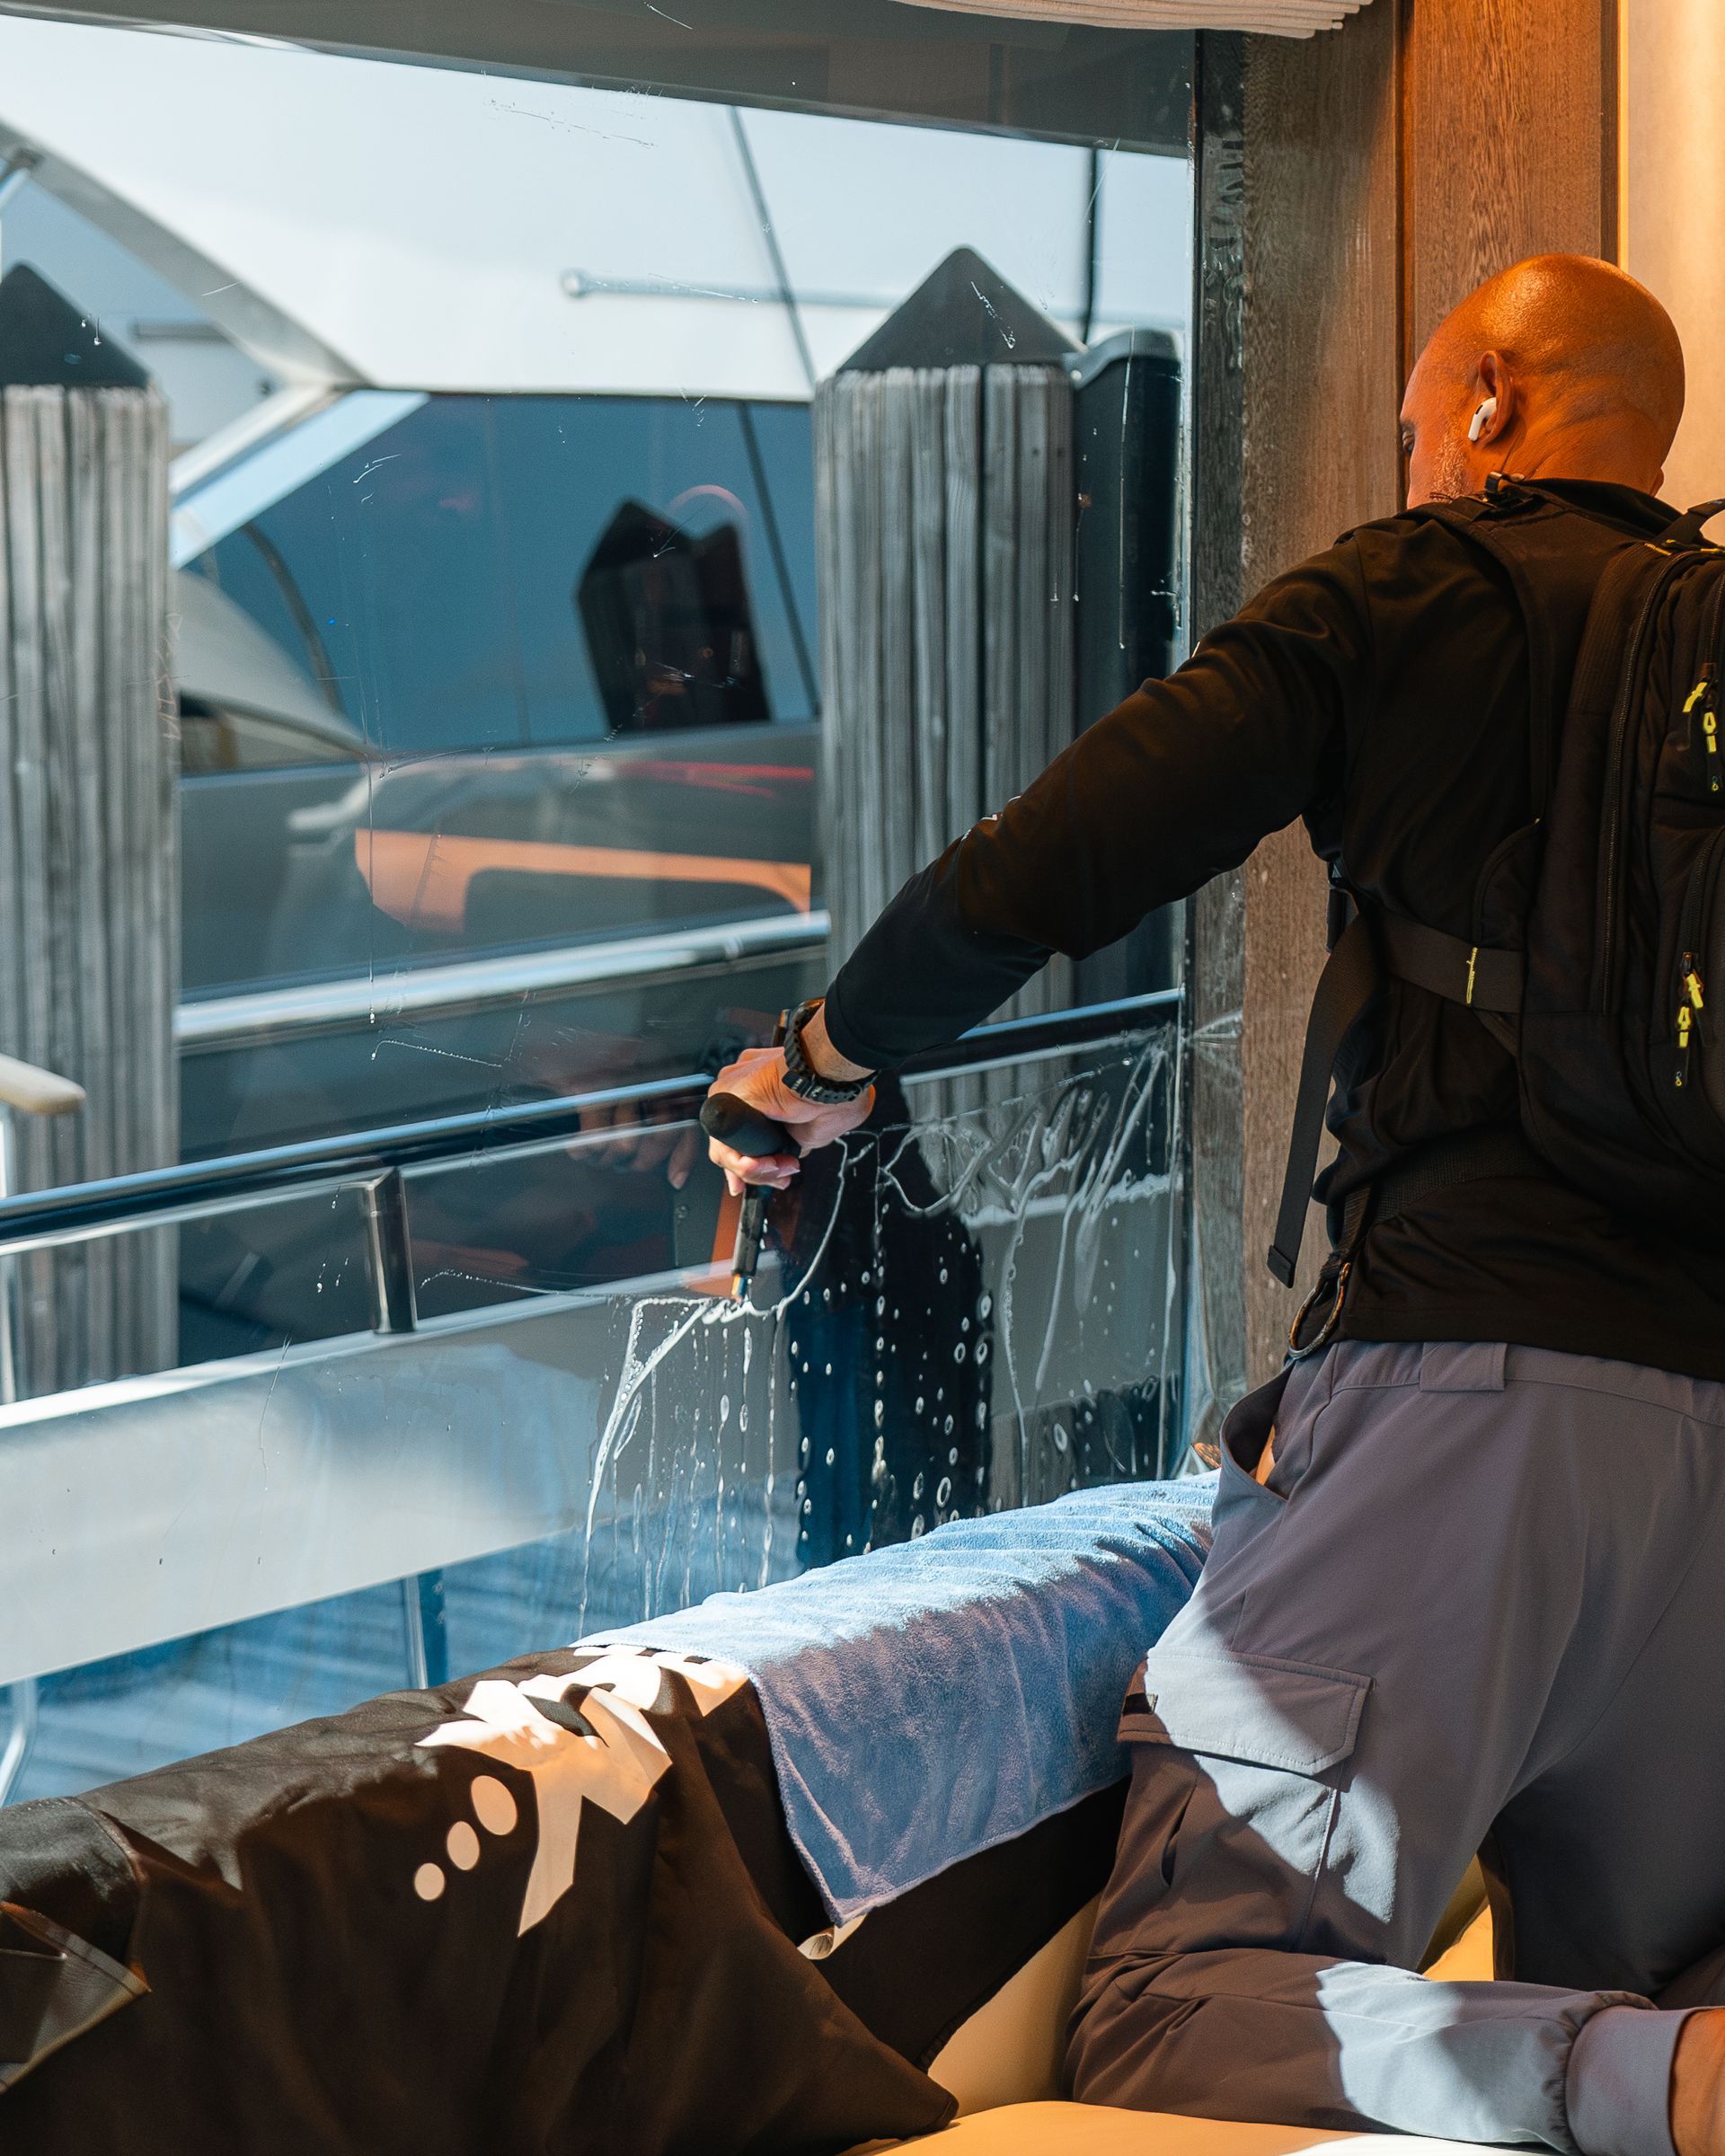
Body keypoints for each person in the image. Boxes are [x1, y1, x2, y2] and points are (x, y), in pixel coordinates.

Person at [705, 252, 1725, 2156]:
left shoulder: (1415, 592)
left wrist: (835, 1053)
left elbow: (1063, 853)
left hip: (1475, 1413)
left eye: (1418, 419)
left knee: (1186, 1998)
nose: (1412, 457)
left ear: (1494, 404)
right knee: (1658, 1999)